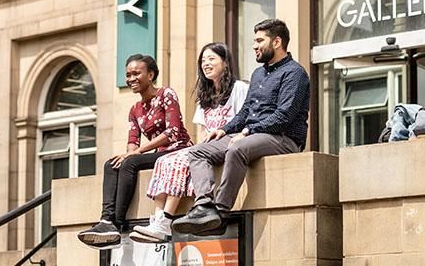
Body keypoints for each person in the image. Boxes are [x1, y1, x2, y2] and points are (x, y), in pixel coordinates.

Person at [172, 19, 310, 236]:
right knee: (198, 151)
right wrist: (225, 130)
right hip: (253, 135)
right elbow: (245, 111)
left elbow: (284, 116)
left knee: (237, 148)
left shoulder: (295, 73)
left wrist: (246, 132)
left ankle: (220, 212)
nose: (254, 45)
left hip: (283, 138)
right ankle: (204, 206)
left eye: (259, 40)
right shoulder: (258, 74)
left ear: (276, 42)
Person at [129, 42, 249, 243]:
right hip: (209, 146)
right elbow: (202, 132)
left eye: (211, 59)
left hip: (231, 140)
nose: (206, 64)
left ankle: (166, 219)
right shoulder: (205, 96)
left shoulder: (240, 88)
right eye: (203, 60)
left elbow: (246, 119)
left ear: (226, 63)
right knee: (164, 160)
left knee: (179, 160)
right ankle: (158, 219)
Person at [77, 54, 192, 248]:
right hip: (157, 154)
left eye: (136, 73)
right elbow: (132, 140)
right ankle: (107, 221)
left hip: (177, 151)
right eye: (128, 75)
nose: (131, 79)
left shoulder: (166, 95)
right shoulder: (135, 109)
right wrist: (129, 152)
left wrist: (134, 153)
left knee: (130, 162)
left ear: (151, 75)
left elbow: (172, 133)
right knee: (112, 163)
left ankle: (117, 222)